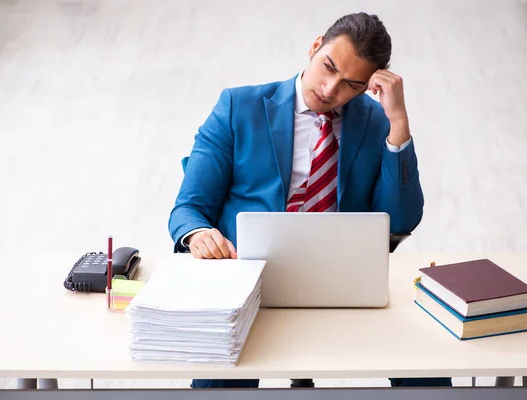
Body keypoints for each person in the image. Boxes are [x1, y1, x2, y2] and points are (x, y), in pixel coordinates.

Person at [168, 12, 452, 389]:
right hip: (246, 280)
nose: (332, 89)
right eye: (328, 67)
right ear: (315, 46)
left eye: (351, 84)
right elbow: (189, 207)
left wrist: (398, 122)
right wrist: (198, 233)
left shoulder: (376, 120)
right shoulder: (240, 106)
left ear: (367, 86)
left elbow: (400, 221)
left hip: (340, 284)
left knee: (426, 374)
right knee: (220, 382)